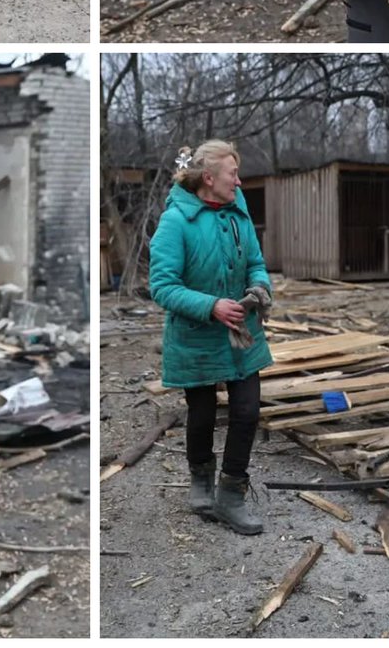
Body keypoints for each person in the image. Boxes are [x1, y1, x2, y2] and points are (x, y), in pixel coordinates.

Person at [148, 140, 273, 535]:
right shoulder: (175, 222)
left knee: (247, 410)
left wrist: (259, 287)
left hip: (241, 334)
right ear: (208, 178)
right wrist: (211, 306)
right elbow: (162, 286)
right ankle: (200, 479)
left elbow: (256, 263)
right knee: (201, 413)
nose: (238, 181)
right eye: (232, 174)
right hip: (196, 337)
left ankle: (231, 496)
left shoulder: (239, 214)